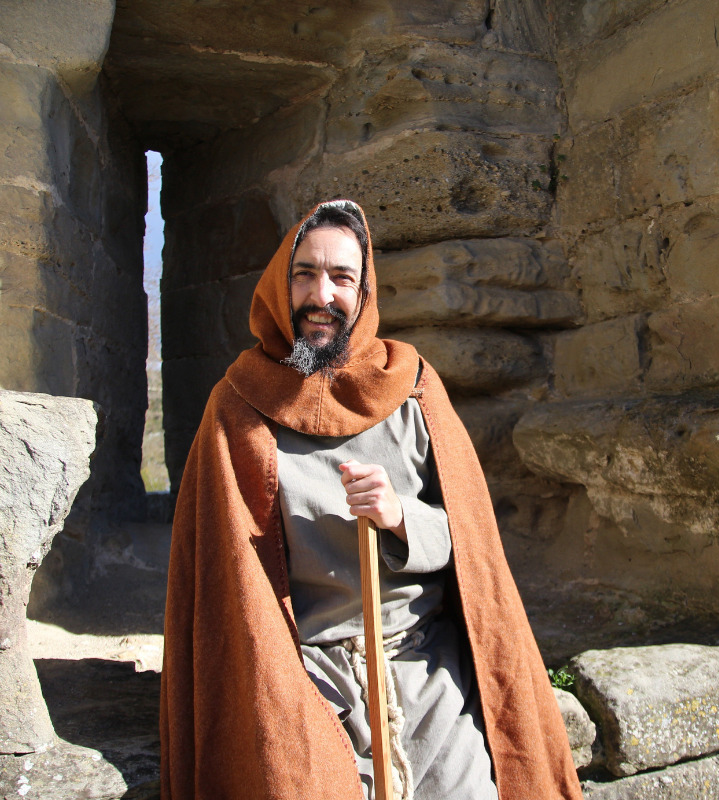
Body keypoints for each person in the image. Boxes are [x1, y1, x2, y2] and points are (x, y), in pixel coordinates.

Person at [160, 200, 582, 800]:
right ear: (282, 286)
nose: (320, 295)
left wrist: (400, 518)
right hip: (305, 675)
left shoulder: (411, 389)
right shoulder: (238, 406)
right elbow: (222, 587)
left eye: (341, 278)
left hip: (422, 663)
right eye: (304, 273)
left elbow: (470, 544)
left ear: (363, 293)